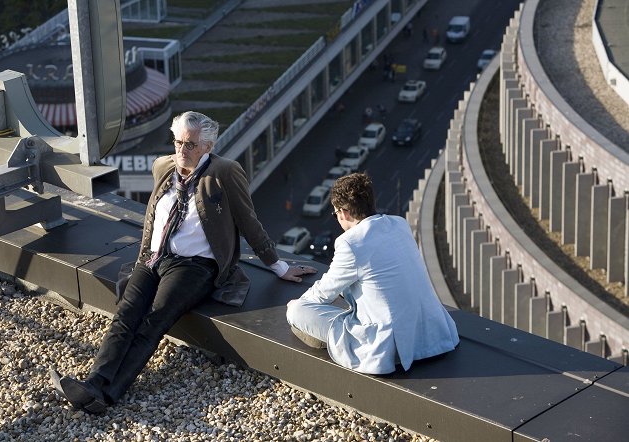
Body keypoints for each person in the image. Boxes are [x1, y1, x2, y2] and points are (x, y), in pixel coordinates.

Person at [50, 111, 317, 413]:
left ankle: (109, 395)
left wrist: (279, 266)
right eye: (177, 142)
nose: (181, 150)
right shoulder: (164, 166)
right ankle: (94, 383)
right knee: (126, 313)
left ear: (207, 146)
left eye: (190, 145)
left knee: (154, 319)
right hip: (155, 258)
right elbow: (154, 218)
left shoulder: (225, 173)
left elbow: (248, 222)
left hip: (196, 266)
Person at [286, 173, 459, 375]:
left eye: (335, 214)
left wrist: (298, 304)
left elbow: (324, 294)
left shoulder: (350, 243)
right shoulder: (399, 224)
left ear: (344, 212)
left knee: (298, 311)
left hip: (391, 349)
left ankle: (330, 340)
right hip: (434, 335)